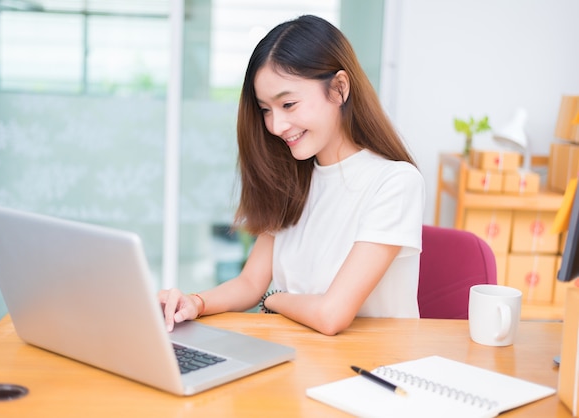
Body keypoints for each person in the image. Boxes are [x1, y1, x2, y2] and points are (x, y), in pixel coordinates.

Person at [159, 14, 425, 336]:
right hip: (299, 354)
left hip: (370, 369)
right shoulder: (292, 176)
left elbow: (331, 315)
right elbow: (250, 282)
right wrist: (195, 302)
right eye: (266, 110)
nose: (275, 126)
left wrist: (275, 300)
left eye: (288, 104)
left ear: (339, 89)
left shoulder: (394, 182)